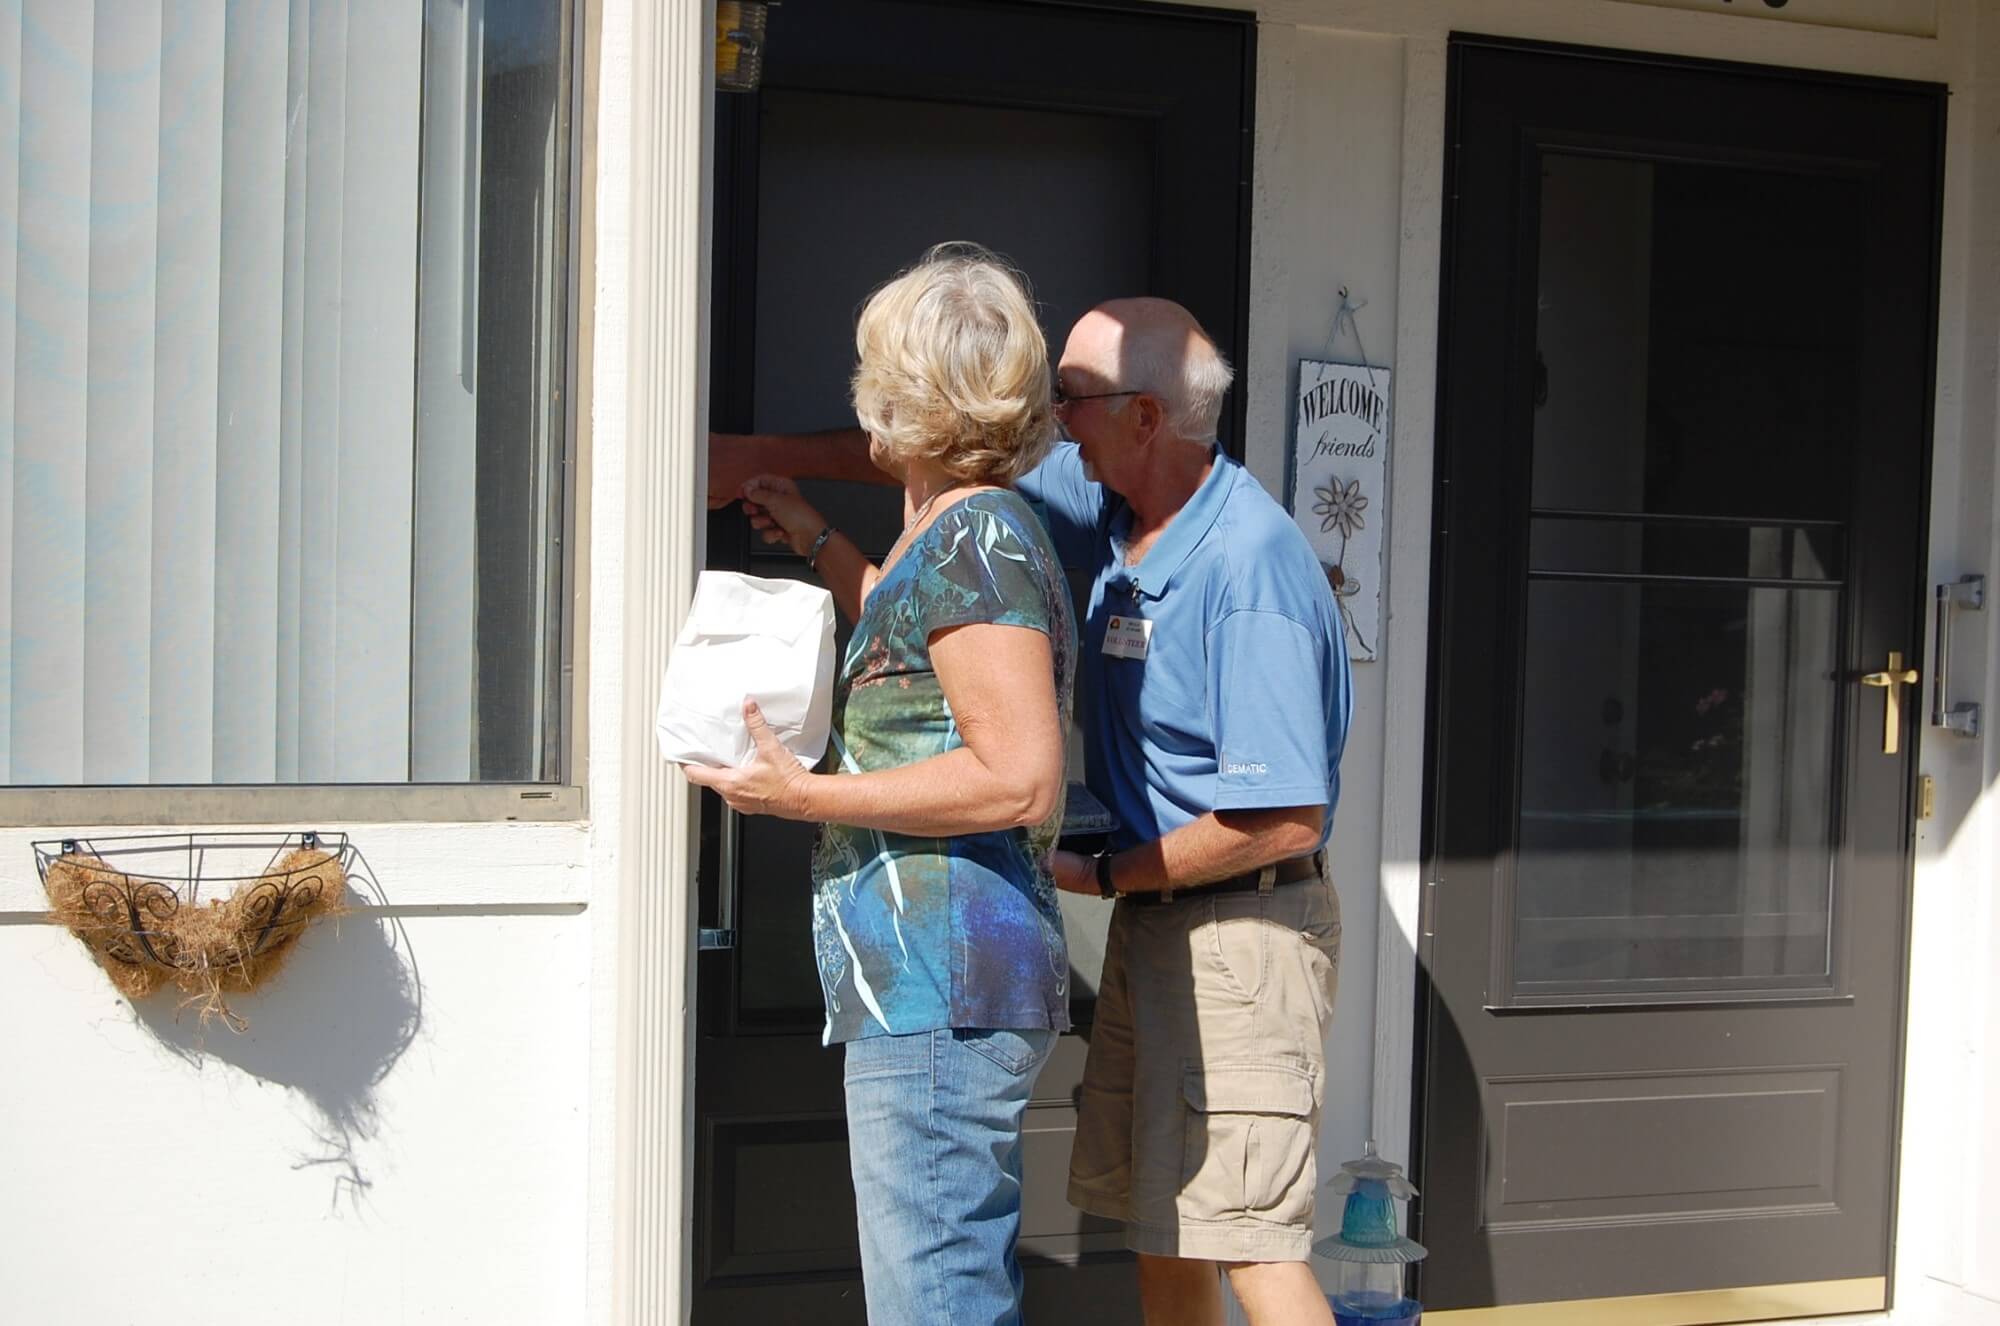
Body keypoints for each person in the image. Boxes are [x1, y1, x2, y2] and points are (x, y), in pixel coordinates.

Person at [712, 296, 1352, 1326]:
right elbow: (930, 508)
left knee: (1244, 1235)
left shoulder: (1250, 569)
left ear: (1145, 416)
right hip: (1156, 917)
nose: (1051, 414)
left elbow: (1281, 819)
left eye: (1075, 395)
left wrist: (1102, 876)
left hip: (1245, 925)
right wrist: (784, 491)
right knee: (1163, 1231)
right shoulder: (1096, 501)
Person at [685, 244, 1079, 1326]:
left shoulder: (976, 538)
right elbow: (924, 683)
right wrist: (817, 540)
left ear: (903, 391)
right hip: (931, 982)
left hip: (940, 984)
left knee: (936, 1302)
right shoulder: (953, 529)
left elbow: (1016, 777)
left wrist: (797, 798)